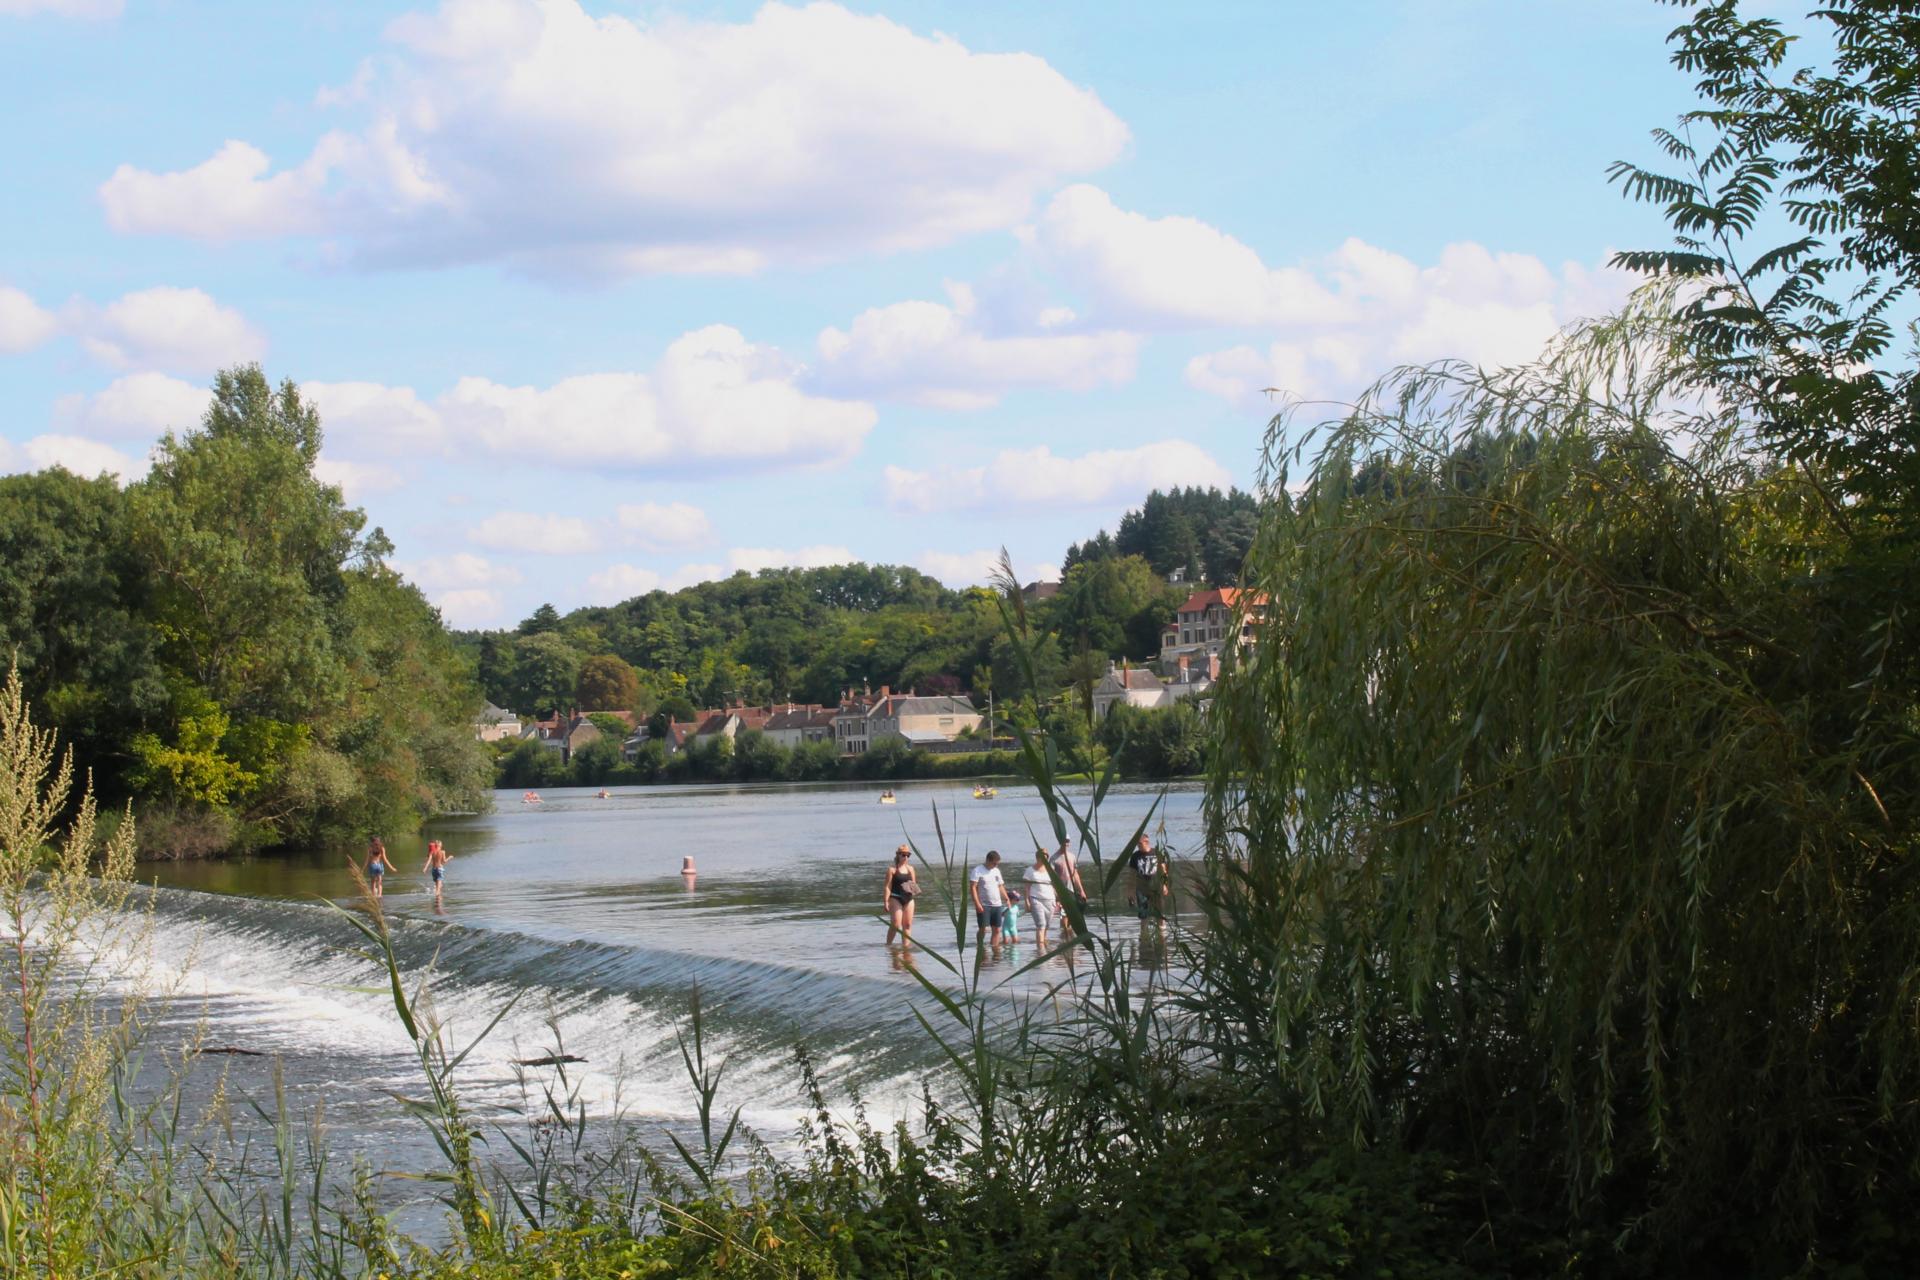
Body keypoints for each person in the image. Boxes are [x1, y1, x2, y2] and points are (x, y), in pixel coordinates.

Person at [1050, 837, 1087, 938]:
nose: (1066, 843)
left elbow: (1075, 875)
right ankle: (1065, 937)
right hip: (1061, 892)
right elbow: (1051, 878)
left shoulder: (1072, 857)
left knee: (1072, 916)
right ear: (1060, 841)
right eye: (1064, 841)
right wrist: (1055, 893)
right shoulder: (1054, 858)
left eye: (1068, 841)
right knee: (1064, 915)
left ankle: (1068, 936)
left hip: (1072, 891)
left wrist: (1081, 891)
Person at [882, 844, 919, 944]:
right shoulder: (892, 870)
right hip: (895, 898)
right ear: (898, 855)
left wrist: (914, 889)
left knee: (907, 925)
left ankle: (906, 949)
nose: (905, 857)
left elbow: (914, 885)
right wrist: (886, 901)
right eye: (903, 855)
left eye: (908, 855)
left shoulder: (910, 869)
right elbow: (887, 887)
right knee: (896, 924)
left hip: (908, 898)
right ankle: (888, 945)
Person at [969, 850, 1008, 943]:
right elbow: (973, 887)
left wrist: (1006, 898)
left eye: (997, 864)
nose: (995, 866)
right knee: (983, 929)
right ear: (988, 860)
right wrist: (977, 903)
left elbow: (1000, 886)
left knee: (997, 930)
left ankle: (995, 951)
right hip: (984, 905)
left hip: (997, 904)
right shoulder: (977, 870)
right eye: (994, 863)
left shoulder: (996, 871)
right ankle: (980, 946)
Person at [1024, 847, 1060, 947]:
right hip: (1036, 899)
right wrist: (1027, 901)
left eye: (1046, 856)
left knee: (1047, 926)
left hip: (1050, 900)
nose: (1044, 858)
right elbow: (1027, 887)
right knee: (1041, 925)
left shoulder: (1050, 870)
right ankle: (1041, 951)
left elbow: (1054, 885)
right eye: (1042, 856)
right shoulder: (1030, 871)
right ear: (1037, 857)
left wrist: (1058, 900)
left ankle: (1043, 944)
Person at [1129, 833, 1168, 920]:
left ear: (1146, 842)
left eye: (1139, 843)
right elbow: (1132, 874)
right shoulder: (1135, 856)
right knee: (1143, 916)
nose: (1138, 846)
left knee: (1160, 915)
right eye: (1137, 844)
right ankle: (1144, 933)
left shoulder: (1157, 853)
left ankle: (1162, 933)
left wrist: (1164, 885)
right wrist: (1131, 891)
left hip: (1156, 886)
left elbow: (1164, 871)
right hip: (1141, 889)